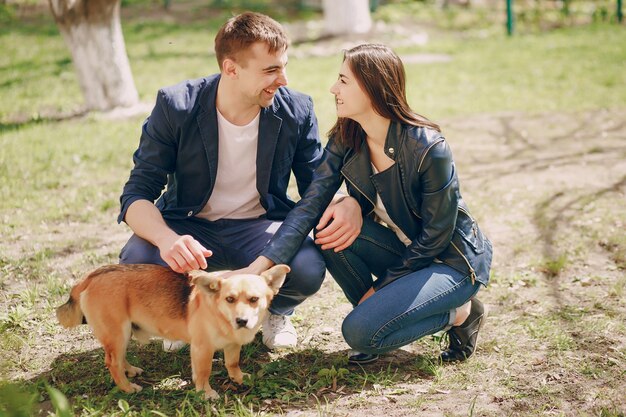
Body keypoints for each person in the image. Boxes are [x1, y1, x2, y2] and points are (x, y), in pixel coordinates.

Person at [241, 43, 493, 363]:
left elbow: (437, 236)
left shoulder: (429, 148)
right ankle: (374, 316)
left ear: (373, 88)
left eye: (344, 81)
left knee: (358, 332)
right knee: (329, 228)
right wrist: (258, 268)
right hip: (404, 252)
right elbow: (310, 206)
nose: (334, 88)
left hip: (450, 262)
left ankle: (460, 313)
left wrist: (382, 287)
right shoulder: (348, 137)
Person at [117, 12, 355, 350]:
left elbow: (316, 187)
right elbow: (137, 193)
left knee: (304, 264)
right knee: (139, 258)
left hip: (259, 227)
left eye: (283, 66)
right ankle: (185, 316)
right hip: (189, 228)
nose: (283, 80)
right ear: (231, 69)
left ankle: (275, 312)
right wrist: (167, 239)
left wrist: (348, 205)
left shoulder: (296, 110)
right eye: (271, 70)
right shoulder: (176, 106)